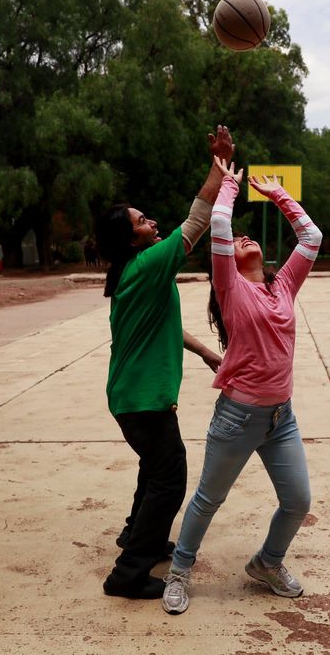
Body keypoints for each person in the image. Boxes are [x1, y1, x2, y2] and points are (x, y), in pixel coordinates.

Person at [162, 158, 322, 615]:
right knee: (209, 499)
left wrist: (277, 195)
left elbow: (311, 237)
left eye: (246, 238)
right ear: (225, 262)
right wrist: (229, 186)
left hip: (280, 418)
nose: (241, 238)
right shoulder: (231, 286)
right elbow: (217, 222)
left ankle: (267, 563)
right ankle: (179, 572)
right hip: (237, 418)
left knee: (297, 501)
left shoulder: (283, 287)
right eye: (235, 241)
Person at [95, 126, 233, 600]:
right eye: (141, 220)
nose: (150, 221)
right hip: (143, 400)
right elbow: (195, 223)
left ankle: (139, 536)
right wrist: (218, 166)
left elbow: (167, 331)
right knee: (170, 477)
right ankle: (129, 572)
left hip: (133, 398)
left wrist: (209, 355)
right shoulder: (149, 264)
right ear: (132, 240)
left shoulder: (135, 274)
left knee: (153, 470)